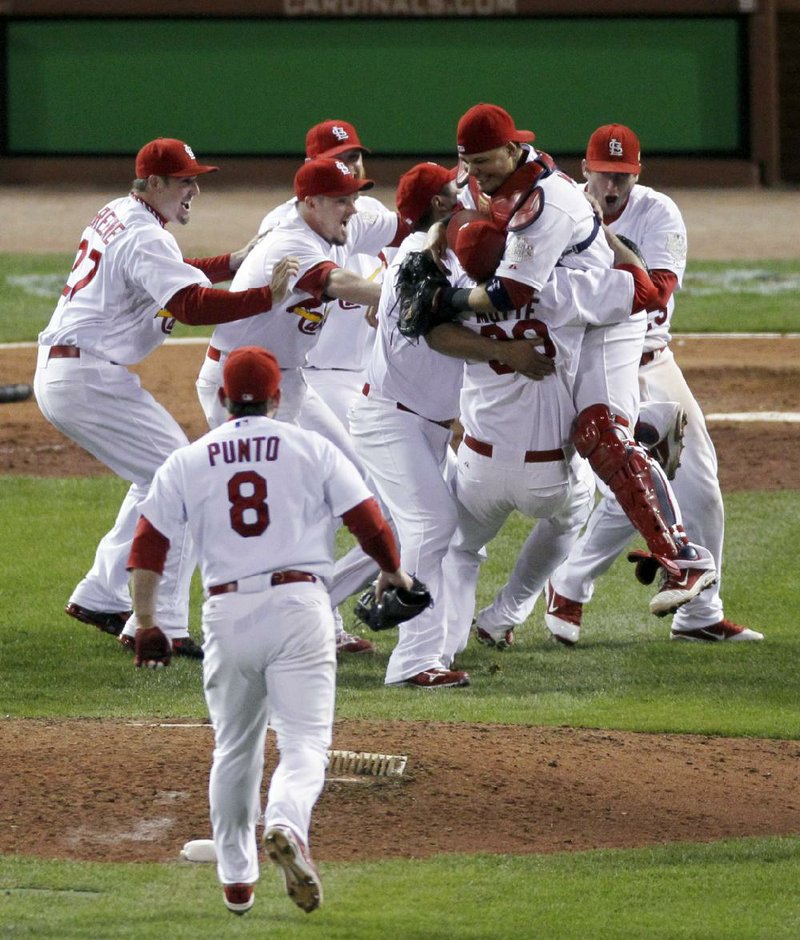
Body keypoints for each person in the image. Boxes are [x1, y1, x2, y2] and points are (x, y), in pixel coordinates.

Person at [127, 346, 414, 915]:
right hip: (300, 606)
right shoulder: (310, 446)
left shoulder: (189, 459)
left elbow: (148, 546)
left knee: (235, 749)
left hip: (227, 614)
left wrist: (146, 622)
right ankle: (286, 822)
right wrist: (393, 573)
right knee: (305, 743)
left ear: (222, 399)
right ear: (278, 399)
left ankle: (237, 882)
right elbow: (370, 522)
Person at [440, 104, 717, 620]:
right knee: (582, 428)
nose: (476, 174)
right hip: (577, 303)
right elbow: (460, 212)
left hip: (611, 308)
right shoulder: (490, 187)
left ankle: (685, 558)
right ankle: (650, 429)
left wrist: (446, 300)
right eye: (468, 163)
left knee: (598, 429)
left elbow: (518, 289)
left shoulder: (548, 231)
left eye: (483, 162)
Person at [34, 137, 299, 656]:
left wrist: (231, 261)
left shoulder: (123, 215)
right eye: (184, 180)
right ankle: (163, 626)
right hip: (88, 378)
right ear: (153, 184)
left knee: (157, 477)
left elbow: (165, 271)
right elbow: (191, 304)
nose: (194, 189)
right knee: (185, 480)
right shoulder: (144, 236)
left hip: (76, 373)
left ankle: (103, 594)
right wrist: (265, 296)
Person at [539, 124, 763, 643]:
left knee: (701, 484)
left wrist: (605, 234)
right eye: (604, 175)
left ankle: (700, 615)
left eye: (623, 176)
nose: (612, 186)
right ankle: (568, 585)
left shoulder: (657, 212)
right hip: (587, 365)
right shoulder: (562, 208)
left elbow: (655, 295)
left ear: (636, 174)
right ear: (585, 171)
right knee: (626, 483)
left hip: (652, 361)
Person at [194, 156, 410, 653]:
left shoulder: (331, 228)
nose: (352, 208)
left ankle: (315, 616)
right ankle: (245, 623)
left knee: (357, 489)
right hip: (239, 389)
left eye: (354, 196)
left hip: (290, 384)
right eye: (341, 200)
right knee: (267, 510)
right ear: (308, 202)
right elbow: (335, 284)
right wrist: (397, 298)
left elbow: (404, 220)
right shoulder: (292, 241)